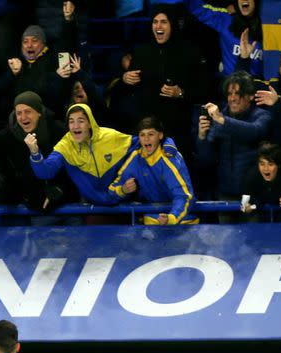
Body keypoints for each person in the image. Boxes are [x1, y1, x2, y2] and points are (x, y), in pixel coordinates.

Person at [0, 91, 70, 211]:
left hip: (68, 205)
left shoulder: (58, 131)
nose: (23, 117)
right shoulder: (12, 134)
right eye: (19, 113)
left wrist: (59, 190)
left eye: (28, 111)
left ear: (39, 112)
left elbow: (72, 166)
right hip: (38, 209)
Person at [122, 6, 204, 160]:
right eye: (155, 22)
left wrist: (180, 93)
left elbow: (203, 90)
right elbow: (128, 87)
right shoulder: (142, 51)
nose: (158, 26)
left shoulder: (189, 52)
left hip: (177, 129)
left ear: (172, 25)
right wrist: (125, 78)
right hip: (147, 127)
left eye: (163, 22)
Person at [27, 103, 136, 206]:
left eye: (81, 121)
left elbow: (141, 144)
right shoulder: (65, 146)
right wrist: (35, 153)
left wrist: (124, 185)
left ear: (90, 123)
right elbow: (46, 172)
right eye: (71, 121)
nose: (75, 126)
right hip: (91, 208)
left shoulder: (110, 137)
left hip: (123, 202)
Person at [196, 71, 270, 214]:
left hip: (253, 197)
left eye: (238, 93)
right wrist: (201, 137)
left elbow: (253, 132)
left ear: (250, 96)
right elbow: (206, 160)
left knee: (253, 236)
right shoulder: (219, 118)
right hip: (224, 195)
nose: (232, 99)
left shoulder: (262, 116)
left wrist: (222, 120)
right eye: (230, 94)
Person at [108, 117, 197, 225]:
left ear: (160, 135)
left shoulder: (169, 158)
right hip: (151, 223)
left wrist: (171, 218)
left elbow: (184, 196)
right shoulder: (135, 157)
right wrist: (123, 190)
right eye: (142, 135)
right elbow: (112, 189)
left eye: (151, 134)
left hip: (181, 223)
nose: (146, 139)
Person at [186, 0, 262, 77]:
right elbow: (196, 7)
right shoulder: (226, 20)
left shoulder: (269, 25)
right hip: (229, 83)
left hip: (261, 85)